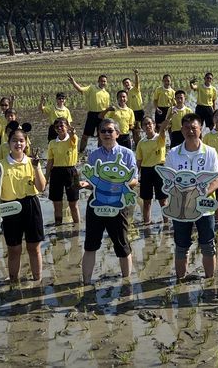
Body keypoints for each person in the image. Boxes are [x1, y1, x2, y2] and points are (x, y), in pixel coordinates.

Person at [79, 118, 138, 285]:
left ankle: (126, 282)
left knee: (121, 243)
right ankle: (86, 282)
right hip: (97, 203)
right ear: (98, 134)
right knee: (90, 244)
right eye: (103, 131)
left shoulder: (127, 154)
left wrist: (118, 184)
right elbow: (91, 182)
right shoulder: (94, 155)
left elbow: (134, 180)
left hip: (117, 204)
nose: (106, 134)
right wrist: (85, 184)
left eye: (110, 131)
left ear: (117, 134)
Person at [164, 113, 218, 279]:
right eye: (187, 128)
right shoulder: (173, 153)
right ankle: (180, 280)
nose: (190, 131)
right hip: (180, 209)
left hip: (204, 208)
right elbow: (169, 181)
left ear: (200, 129)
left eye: (194, 128)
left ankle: (209, 280)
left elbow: (216, 180)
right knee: (181, 246)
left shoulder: (210, 152)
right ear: (181, 130)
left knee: (208, 245)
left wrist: (198, 194)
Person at [0, 129, 46, 283]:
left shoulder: (32, 162)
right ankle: (13, 282)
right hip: (10, 208)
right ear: (8, 143)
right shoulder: (0, 166)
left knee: (34, 247)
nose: (18, 143)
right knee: (14, 249)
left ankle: (37, 281)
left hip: (31, 205)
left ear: (26, 143)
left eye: (21, 140)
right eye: (14, 140)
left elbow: (41, 187)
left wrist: (36, 167)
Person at [45, 118, 80, 225]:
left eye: (62, 126)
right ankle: (58, 225)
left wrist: (73, 133)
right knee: (57, 203)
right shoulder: (52, 143)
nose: (59, 128)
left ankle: (77, 227)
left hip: (71, 172)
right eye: (57, 127)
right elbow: (50, 162)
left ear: (67, 127)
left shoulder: (72, 139)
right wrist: (46, 178)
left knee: (73, 203)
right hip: (56, 172)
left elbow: (74, 138)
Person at [136, 116, 168, 225]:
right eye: (145, 124)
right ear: (142, 127)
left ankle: (166, 222)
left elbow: (163, 127)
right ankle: (147, 223)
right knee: (146, 200)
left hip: (159, 169)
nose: (148, 126)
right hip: (146, 171)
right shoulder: (141, 142)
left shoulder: (160, 138)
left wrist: (169, 115)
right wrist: (136, 175)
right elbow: (139, 161)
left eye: (150, 123)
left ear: (154, 125)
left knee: (163, 199)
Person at [67, 73, 110, 153]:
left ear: (106, 82)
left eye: (104, 81)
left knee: (100, 136)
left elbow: (106, 108)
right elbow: (80, 89)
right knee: (85, 135)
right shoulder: (92, 88)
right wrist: (73, 82)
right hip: (92, 114)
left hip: (102, 116)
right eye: (101, 81)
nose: (103, 83)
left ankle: (99, 152)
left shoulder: (106, 94)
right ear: (98, 81)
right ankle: (81, 151)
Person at [122, 69, 143, 148]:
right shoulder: (124, 93)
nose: (126, 84)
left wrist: (136, 75)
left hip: (138, 111)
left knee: (138, 130)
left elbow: (137, 82)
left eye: (127, 82)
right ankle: (136, 144)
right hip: (130, 112)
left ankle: (139, 144)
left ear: (130, 83)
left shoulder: (135, 89)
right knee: (133, 130)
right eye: (124, 83)